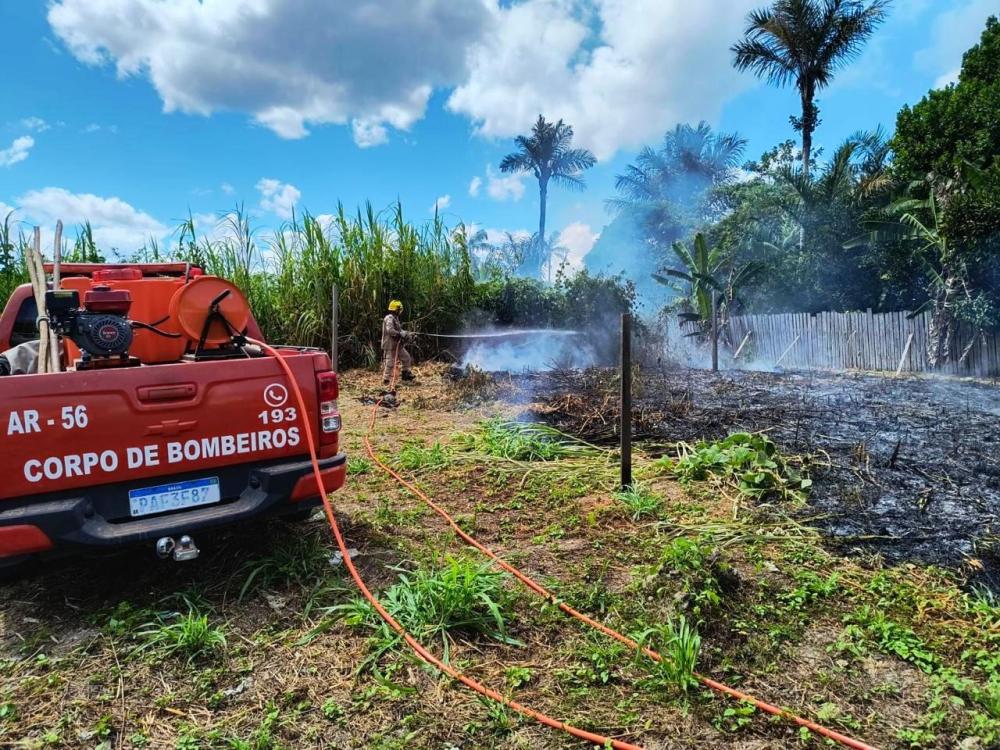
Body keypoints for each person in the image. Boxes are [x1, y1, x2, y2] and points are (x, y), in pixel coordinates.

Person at [381, 300, 415, 385]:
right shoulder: (389, 318)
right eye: (399, 310)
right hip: (390, 345)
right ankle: (386, 380)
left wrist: (407, 333)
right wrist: (400, 333)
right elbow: (390, 330)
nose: (400, 311)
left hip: (397, 345)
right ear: (396, 310)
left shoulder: (395, 318)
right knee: (390, 363)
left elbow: (399, 330)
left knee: (406, 357)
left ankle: (405, 375)